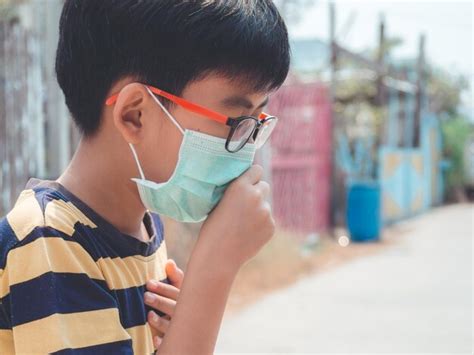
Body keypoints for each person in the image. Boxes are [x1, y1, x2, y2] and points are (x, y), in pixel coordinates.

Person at [0, 0, 290, 353]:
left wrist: (184, 325)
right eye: (236, 122)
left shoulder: (145, 229)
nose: (248, 147)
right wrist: (214, 271)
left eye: (258, 122)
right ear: (135, 115)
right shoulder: (48, 242)